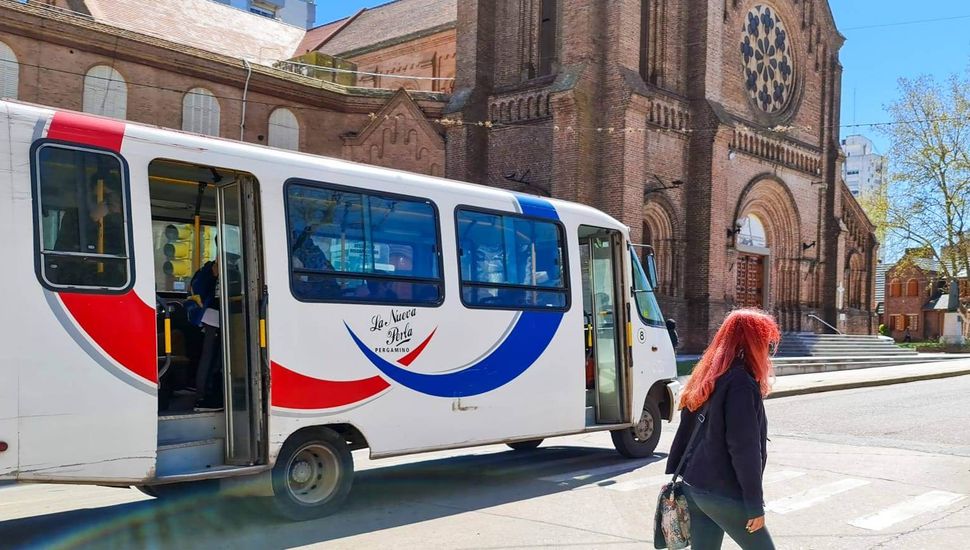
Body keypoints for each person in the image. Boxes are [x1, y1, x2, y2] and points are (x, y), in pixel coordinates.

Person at [665, 308, 779, 550]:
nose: (768, 350)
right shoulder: (741, 384)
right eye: (766, 342)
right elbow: (743, 448)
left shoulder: (710, 375)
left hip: (695, 486)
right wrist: (754, 504)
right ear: (753, 342)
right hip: (722, 492)